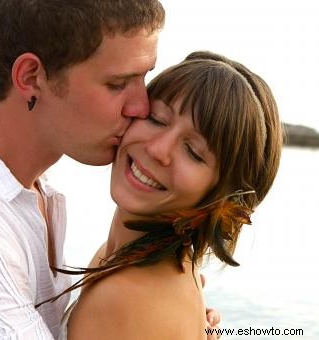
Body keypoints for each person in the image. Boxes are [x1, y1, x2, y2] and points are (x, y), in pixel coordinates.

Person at [49, 51, 283, 339]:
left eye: (194, 152)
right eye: (158, 119)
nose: (158, 150)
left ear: (223, 196)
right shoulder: (132, 262)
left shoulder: (126, 299)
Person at [0, 0, 165, 338]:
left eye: (144, 79)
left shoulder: (35, 189)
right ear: (31, 77)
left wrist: (155, 312)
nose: (142, 107)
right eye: (118, 84)